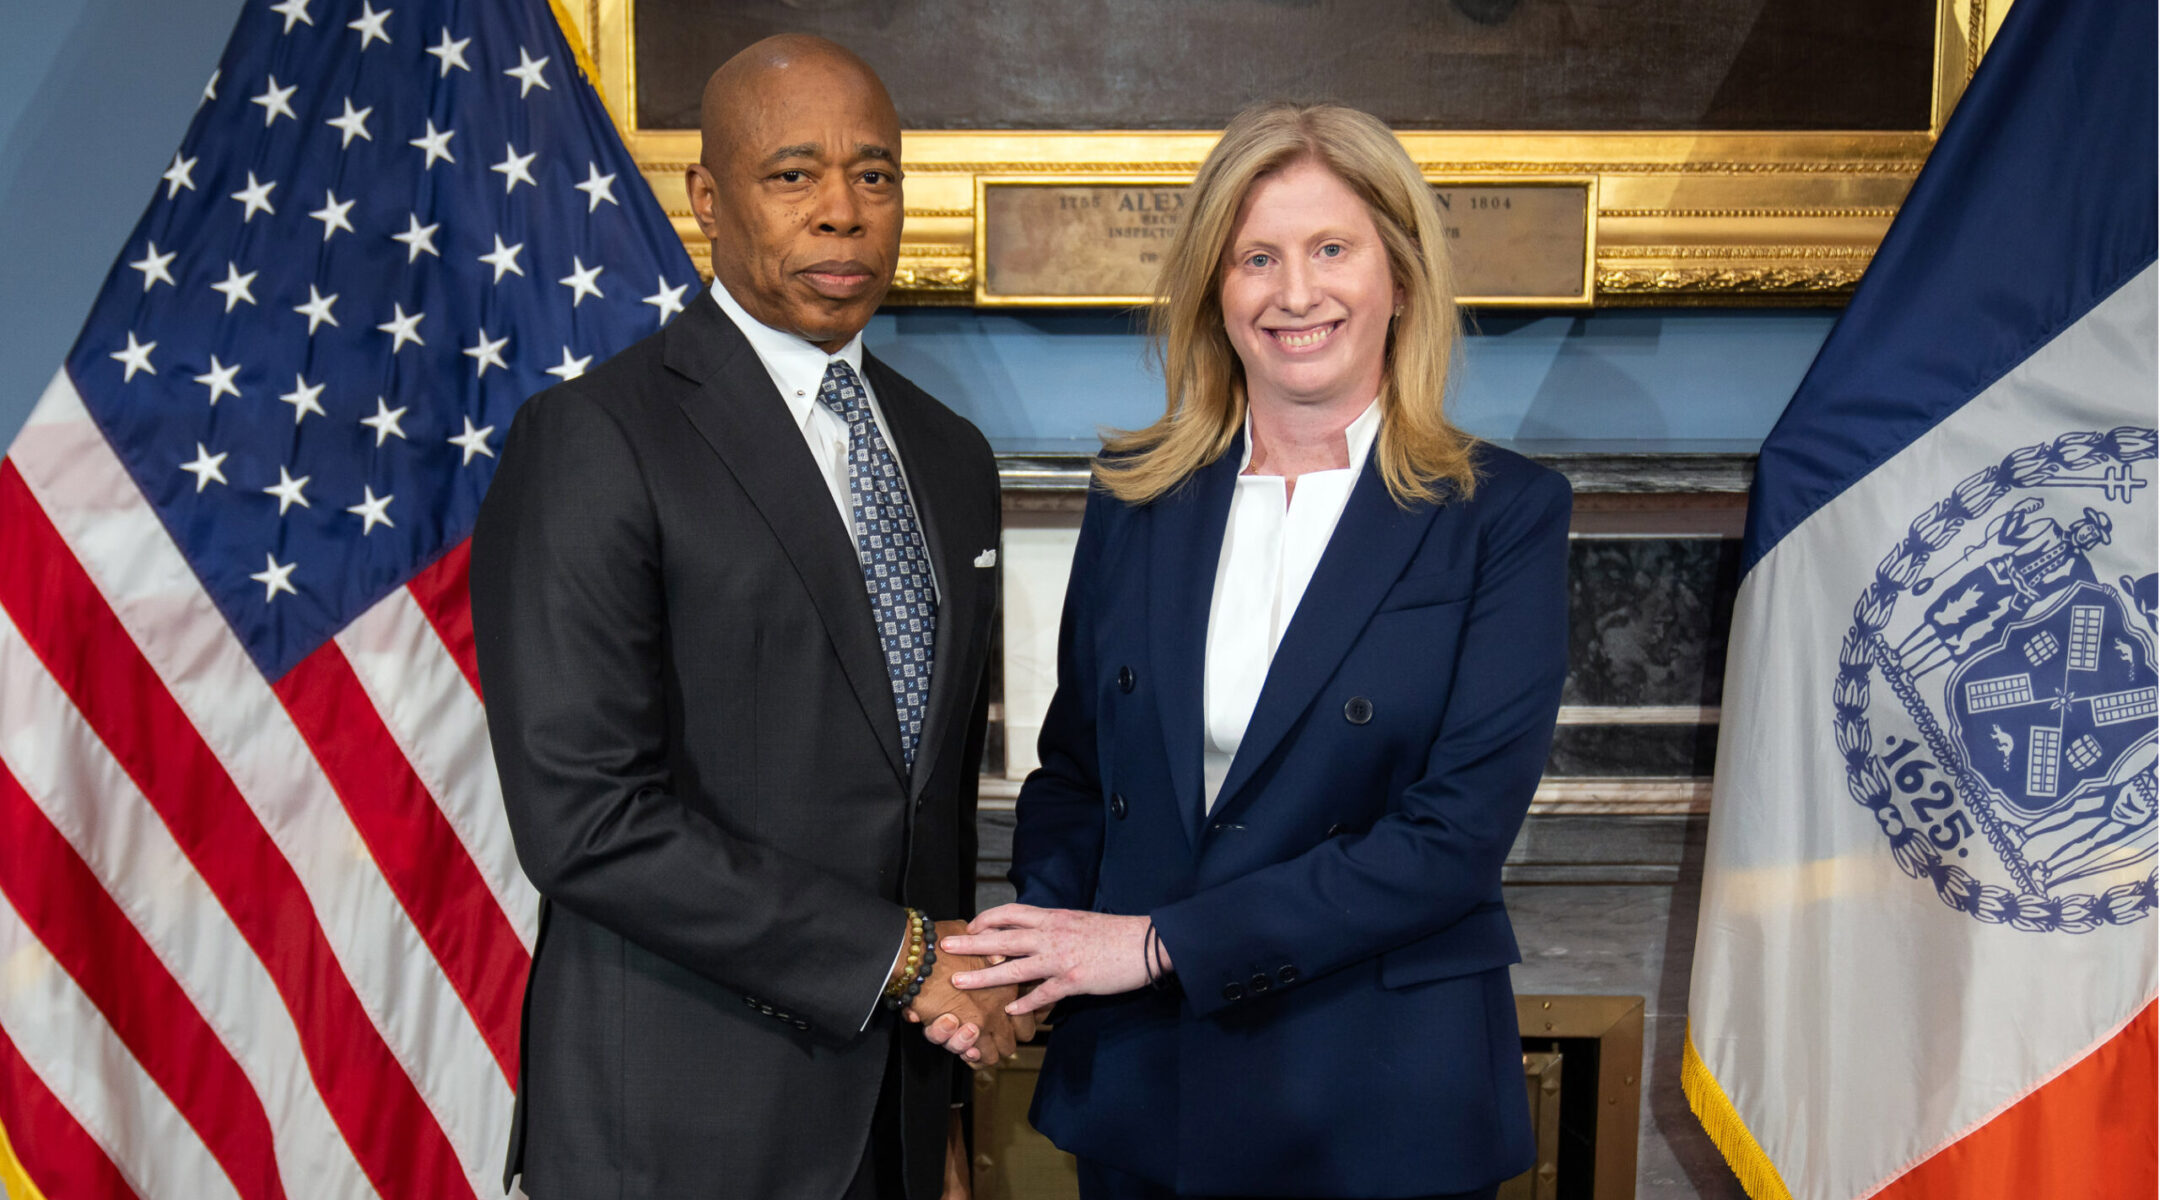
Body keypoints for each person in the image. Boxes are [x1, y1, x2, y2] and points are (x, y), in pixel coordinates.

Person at [939, 101, 1572, 1199]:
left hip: (1380, 1095)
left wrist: (1153, 945)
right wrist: (1026, 960)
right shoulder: (1136, 499)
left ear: (1402, 275)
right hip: (1151, 1092)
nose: (1295, 293)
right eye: (1256, 258)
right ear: (1213, 291)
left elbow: (1452, 840)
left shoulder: (1499, 512)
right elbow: (1079, 779)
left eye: (1332, 249)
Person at [471, 35, 1020, 1200]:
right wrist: (899, 962)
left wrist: (944, 1111)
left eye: (874, 175)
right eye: (793, 175)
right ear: (707, 199)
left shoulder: (950, 456)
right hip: (679, 1129)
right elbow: (586, 820)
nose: (842, 214)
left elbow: (926, 810)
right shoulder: (595, 442)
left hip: (898, 1120)